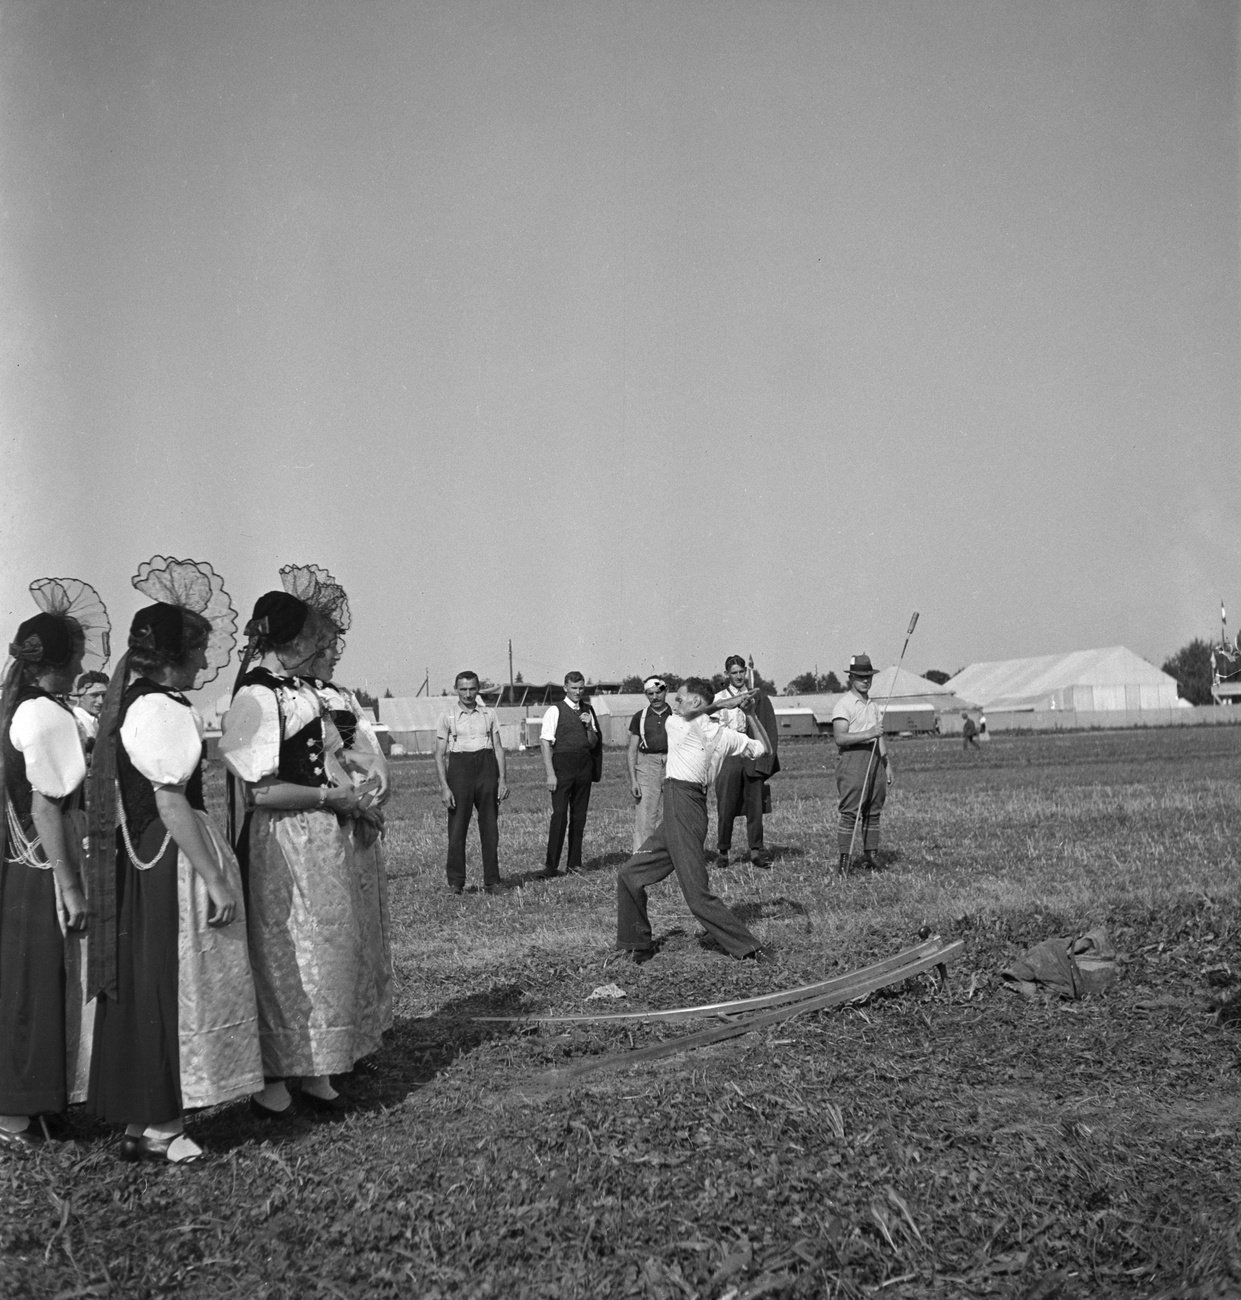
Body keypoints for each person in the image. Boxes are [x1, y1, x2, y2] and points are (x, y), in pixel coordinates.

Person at [86, 557, 262, 1164]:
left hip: (142, 857)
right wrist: (215, 877)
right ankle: (163, 1123)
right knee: (172, 985)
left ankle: (144, 1118)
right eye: (197, 649)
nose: (201, 661)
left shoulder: (132, 700)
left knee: (149, 981)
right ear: (173, 655)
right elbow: (169, 800)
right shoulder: (162, 707)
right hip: (170, 858)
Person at [221, 586, 374, 1117]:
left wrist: (349, 796)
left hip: (318, 837)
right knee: (283, 953)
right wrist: (330, 796)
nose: (319, 646)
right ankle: (272, 1074)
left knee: (325, 951)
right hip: (281, 840)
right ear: (290, 639)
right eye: (312, 636)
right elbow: (256, 792)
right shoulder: (257, 696)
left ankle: (316, 1066)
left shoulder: (298, 690)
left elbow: (334, 750)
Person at [0, 579, 107, 1150]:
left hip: (25, 864)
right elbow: (48, 805)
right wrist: (70, 885)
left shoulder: (18, 707)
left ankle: (36, 1102)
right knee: (37, 984)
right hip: (44, 865)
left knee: (29, 981)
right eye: (80, 657)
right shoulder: (46, 714)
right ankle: (17, 1111)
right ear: (62, 664)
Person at [286, 565, 394, 1062]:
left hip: (359, 821)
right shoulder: (294, 701)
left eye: (334, 647)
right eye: (323, 646)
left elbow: (363, 749)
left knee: (366, 926)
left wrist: (374, 790)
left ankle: (366, 1029)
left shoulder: (342, 697)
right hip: (328, 825)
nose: (331, 655)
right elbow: (319, 763)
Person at [617, 678, 775, 964]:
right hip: (683, 808)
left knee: (697, 896)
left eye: (680, 698)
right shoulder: (721, 734)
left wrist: (748, 713)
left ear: (696, 702)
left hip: (683, 807)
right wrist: (742, 711)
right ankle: (636, 943)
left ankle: (750, 948)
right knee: (629, 874)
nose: (673, 703)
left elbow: (765, 749)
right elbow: (762, 746)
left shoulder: (680, 724)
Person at [435, 671, 510, 894]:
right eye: (463, 689)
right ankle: (455, 883)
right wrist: (445, 787)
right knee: (457, 829)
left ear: (478, 689)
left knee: (490, 828)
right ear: (456, 689)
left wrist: (502, 779)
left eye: (472, 689)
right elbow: (439, 754)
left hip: (486, 769)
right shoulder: (447, 716)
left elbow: (498, 747)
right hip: (460, 771)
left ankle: (492, 882)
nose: (468, 694)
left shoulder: (489, 714)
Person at [712, 655, 780, 868]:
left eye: (741, 671)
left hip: (750, 751)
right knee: (726, 804)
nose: (739, 676)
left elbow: (765, 727)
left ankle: (755, 851)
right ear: (727, 675)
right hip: (729, 754)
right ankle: (723, 852)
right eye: (734, 672)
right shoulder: (719, 698)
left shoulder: (756, 697)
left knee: (755, 804)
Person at [831, 654, 894, 875]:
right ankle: (844, 860)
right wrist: (869, 733)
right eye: (860, 676)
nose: (865, 680)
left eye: (868, 676)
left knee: (874, 809)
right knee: (851, 811)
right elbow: (840, 737)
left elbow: (880, 738)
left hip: (875, 758)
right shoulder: (844, 705)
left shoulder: (874, 706)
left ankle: (871, 854)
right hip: (853, 760)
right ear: (851, 678)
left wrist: (887, 764)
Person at [537, 672, 602, 878]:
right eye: (573, 688)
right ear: (565, 688)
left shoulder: (588, 710)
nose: (577, 692)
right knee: (559, 816)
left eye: (581, 688)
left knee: (579, 817)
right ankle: (551, 865)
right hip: (562, 767)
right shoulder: (555, 710)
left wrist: (588, 726)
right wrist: (550, 774)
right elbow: (546, 743)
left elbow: (593, 743)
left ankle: (574, 863)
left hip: (583, 767)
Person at [627, 676, 671, 852]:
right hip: (647, 764)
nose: (655, 697)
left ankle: (672, 853)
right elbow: (632, 750)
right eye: (650, 694)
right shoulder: (640, 717)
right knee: (645, 815)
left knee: (673, 812)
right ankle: (642, 855)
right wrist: (633, 780)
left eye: (658, 692)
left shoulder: (676, 715)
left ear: (665, 691)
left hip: (672, 763)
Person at [70, 671, 109, 752]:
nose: (100, 701)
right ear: (80, 696)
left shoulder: (97, 721)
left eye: (104, 695)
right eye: (94, 695)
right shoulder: (74, 722)